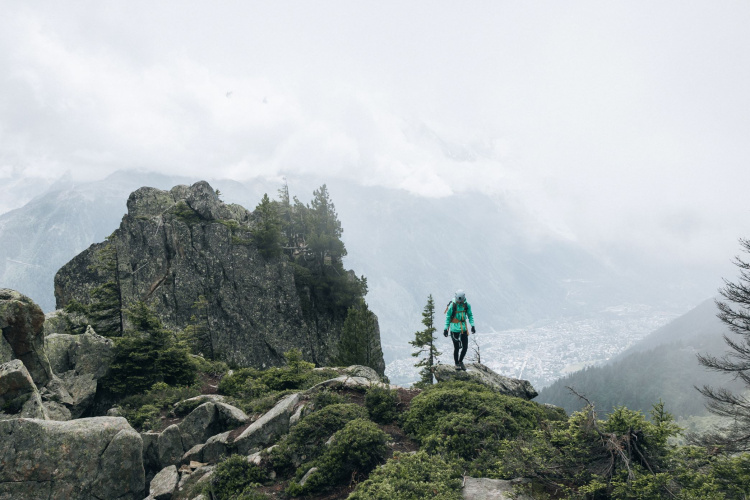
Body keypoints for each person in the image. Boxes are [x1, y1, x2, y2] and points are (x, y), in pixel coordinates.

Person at [443, 289, 475, 370]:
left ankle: (460, 361)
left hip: (463, 328)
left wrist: (472, 325)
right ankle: (457, 363)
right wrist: (445, 329)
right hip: (454, 330)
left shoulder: (467, 305)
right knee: (457, 348)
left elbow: (470, 315)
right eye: (458, 301)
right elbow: (448, 317)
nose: (459, 302)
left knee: (465, 347)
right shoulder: (452, 305)